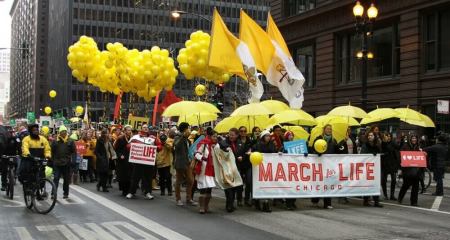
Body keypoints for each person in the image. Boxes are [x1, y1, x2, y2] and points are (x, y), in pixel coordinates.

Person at [126, 124, 160, 200]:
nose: (145, 128)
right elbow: (128, 146)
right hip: (138, 162)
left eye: (147, 127)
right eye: (144, 127)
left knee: (148, 178)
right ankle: (131, 192)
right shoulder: (135, 137)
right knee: (135, 177)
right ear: (141, 128)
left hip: (148, 162)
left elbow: (159, 147)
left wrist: (155, 147)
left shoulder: (153, 138)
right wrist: (134, 146)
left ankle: (148, 193)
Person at [311, 124, 336, 209]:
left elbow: (336, 152)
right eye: (328, 129)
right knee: (318, 183)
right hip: (319, 164)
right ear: (324, 130)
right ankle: (315, 200)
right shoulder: (318, 139)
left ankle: (327, 203)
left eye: (330, 129)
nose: (329, 130)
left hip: (329, 165)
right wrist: (318, 152)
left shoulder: (333, 140)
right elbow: (313, 149)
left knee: (328, 184)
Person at [252, 130, 277, 212]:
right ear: (263, 137)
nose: (268, 137)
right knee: (260, 185)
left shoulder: (272, 145)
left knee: (268, 185)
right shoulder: (257, 145)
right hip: (259, 168)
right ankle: (257, 201)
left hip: (269, 168)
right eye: (266, 136)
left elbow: (275, 154)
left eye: (269, 136)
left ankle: (266, 204)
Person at [194, 127, 218, 214]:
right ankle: (201, 207)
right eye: (214, 136)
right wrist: (202, 158)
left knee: (209, 190)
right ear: (210, 136)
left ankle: (206, 206)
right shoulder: (204, 144)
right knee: (203, 190)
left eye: (216, 137)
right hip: (203, 170)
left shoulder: (216, 146)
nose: (216, 138)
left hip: (211, 170)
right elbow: (196, 154)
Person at [173, 122, 197, 206]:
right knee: (178, 181)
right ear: (185, 129)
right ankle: (178, 199)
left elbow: (190, 150)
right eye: (188, 128)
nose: (189, 130)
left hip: (188, 162)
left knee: (190, 180)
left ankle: (189, 198)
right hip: (180, 163)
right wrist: (183, 136)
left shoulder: (187, 139)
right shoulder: (177, 137)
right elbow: (176, 145)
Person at [51, 125, 76, 199]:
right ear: (60, 133)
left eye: (65, 131)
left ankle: (66, 193)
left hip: (67, 163)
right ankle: (53, 193)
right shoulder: (55, 141)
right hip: (57, 163)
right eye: (62, 132)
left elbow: (74, 152)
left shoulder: (70, 141)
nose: (64, 133)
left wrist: (73, 161)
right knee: (56, 178)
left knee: (66, 179)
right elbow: (52, 152)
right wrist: (53, 161)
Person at [360, 131, 383, 207]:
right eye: (369, 135)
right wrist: (370, 155)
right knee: (367, 184)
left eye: (372, 135)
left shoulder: (377, 145)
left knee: (375, 184)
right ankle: (366, 200)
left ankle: (376, 201)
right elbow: (362, 155)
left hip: (375, 168)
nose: (370, 136)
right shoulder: (365, 145)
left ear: (374, 136)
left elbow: (380, 153)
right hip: (367, 168)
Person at [398, 135, 422, 206]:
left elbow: (421, 158)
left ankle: (414, 202)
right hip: (407, 170)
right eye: (413, 138)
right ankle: (400, 197)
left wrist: (422, 153)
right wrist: (401, 166)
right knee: (406, 185)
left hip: (416, 170)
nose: (414, 140)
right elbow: (401, 156)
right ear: (410, 139)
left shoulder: (418, 147)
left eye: (415, 138)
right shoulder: (405, 146)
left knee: (415, 186)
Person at [221, 128, 241, 212]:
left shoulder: (239, 143)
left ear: (236, 135)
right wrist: (227, 149)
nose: (231, 136)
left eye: (233, 135)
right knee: (228, 186)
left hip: (236, 168)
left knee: (234, 187)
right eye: (230, 134)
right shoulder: (224, 142)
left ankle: (231, 203)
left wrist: (242, 156)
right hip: (227, 168)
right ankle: (229, 205)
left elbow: (242, 151)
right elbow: (222, 147)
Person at [113, 125, 133, 196]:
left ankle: (129, 190)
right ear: (125, 131)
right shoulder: (120, 138)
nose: (129, 131)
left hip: (130, 159)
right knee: (122, 175)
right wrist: (119, 155)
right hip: (122, 159)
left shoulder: (133, 139)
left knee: (129, 175)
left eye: (130, 130)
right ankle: (124, 190)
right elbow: (115, 148)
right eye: (128, 130)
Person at [236, 126, 253, 207]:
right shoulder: (236, 140)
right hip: (239, 165)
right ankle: (239, 199)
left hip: (248, 164)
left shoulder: (250, 141)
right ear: (239, 132)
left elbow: (252, 150)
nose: (243, 133)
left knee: (249, 182)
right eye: (241, 131)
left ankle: (247, 199)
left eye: (244, 131)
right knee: (240, 183)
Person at [380, 132, 400, 200]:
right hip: (384, 165)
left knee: (394, 180)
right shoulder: (382, 143)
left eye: (389, 136)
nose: (388, 137)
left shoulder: (393, 143)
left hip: (392, 164)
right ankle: (385, 195)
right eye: (387, 136)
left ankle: (392, 195)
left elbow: (398, 147)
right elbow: (384, 149)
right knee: (383, 180)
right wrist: (384, 142)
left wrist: (403, 139)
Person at [156, 131, 174, 196]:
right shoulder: (157, 143)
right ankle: (162, 191)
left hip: (167, 163)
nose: (162, 140)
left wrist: (165, 143)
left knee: (168, 177)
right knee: (161, 178)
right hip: (159, 163)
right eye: (161, 139)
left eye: (163, 139)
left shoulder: (168, 143)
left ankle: (169, 191)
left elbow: (171, 147)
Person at [283, 131, 297, 210]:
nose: (291, 136)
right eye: (289, 135)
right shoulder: (284, 145)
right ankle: (288, 203)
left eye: (292, 135)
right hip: (287, 168)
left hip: (295, 168)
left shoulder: (297, 145)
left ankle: (293, 201)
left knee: (295, 185)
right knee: (289, 186)